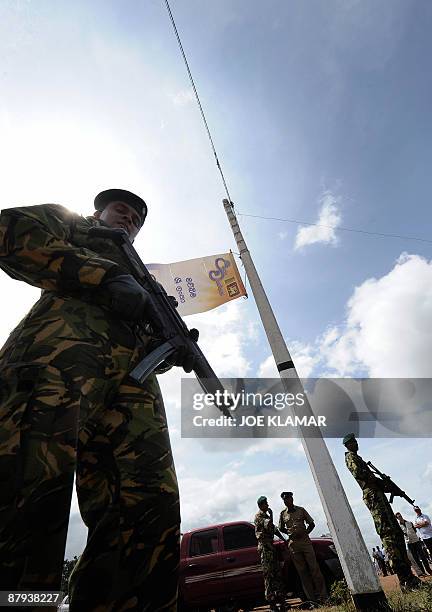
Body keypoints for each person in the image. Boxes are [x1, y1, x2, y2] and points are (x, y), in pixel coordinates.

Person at [0, 190, 195, 611]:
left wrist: (167, 347)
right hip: (58, 358)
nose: (129, 219)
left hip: (132, 387)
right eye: (120, 210)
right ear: (98, 212)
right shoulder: (77, 227)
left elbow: (148, 345)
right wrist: (101, 275)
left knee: (148, 507)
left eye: (137, 219)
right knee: (27, 489)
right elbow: (10, 230)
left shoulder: (146, 278)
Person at [343, 434, 421, 589]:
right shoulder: (351, 458)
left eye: (356, 441)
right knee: (388, 534)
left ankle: (408, 576)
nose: (356, 443)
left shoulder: (358, 458)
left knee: (396, 533)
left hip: (377, 495)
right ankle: (405, 579)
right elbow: (360, 474)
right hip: (373, 495)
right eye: (353, 442)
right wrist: (381, 482)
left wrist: (389, 487)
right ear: (348, 445)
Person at [278, 491, 327, 606]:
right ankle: (311, 601)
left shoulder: (301, 510)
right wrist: (289, 534)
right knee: (302, 573)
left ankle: (324, 597)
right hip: (294, 546)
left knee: (315, 570)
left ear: (292, 499)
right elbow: (281, 528)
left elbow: (312, 524)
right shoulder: (282, 514)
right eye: (285, 499)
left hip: (305, 543)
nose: (287, 501)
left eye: (288, 498)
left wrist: (306, 533)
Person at [254, 496, 288, 612]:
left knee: (277, 575)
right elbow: (269, 526)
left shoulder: (265, 516)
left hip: (270, 548)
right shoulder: (260, 516)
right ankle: (272, 604)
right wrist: (272, 515)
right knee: (269, 577)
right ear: (261, 505)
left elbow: (274, 529)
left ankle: (281, 601)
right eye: (266, 503)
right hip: (265, 549)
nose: (268, 505)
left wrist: (284, 539)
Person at [395, 512, 431, 577]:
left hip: (416, 541)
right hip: (409, 543)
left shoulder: (409, 523)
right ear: (397, 518)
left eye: (400, 516)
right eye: (398, 517)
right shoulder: (398, 527)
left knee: (423, 556)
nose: (400, 517)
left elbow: (415, 531)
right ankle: (422, 572)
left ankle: (428, 570)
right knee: (416, 558)